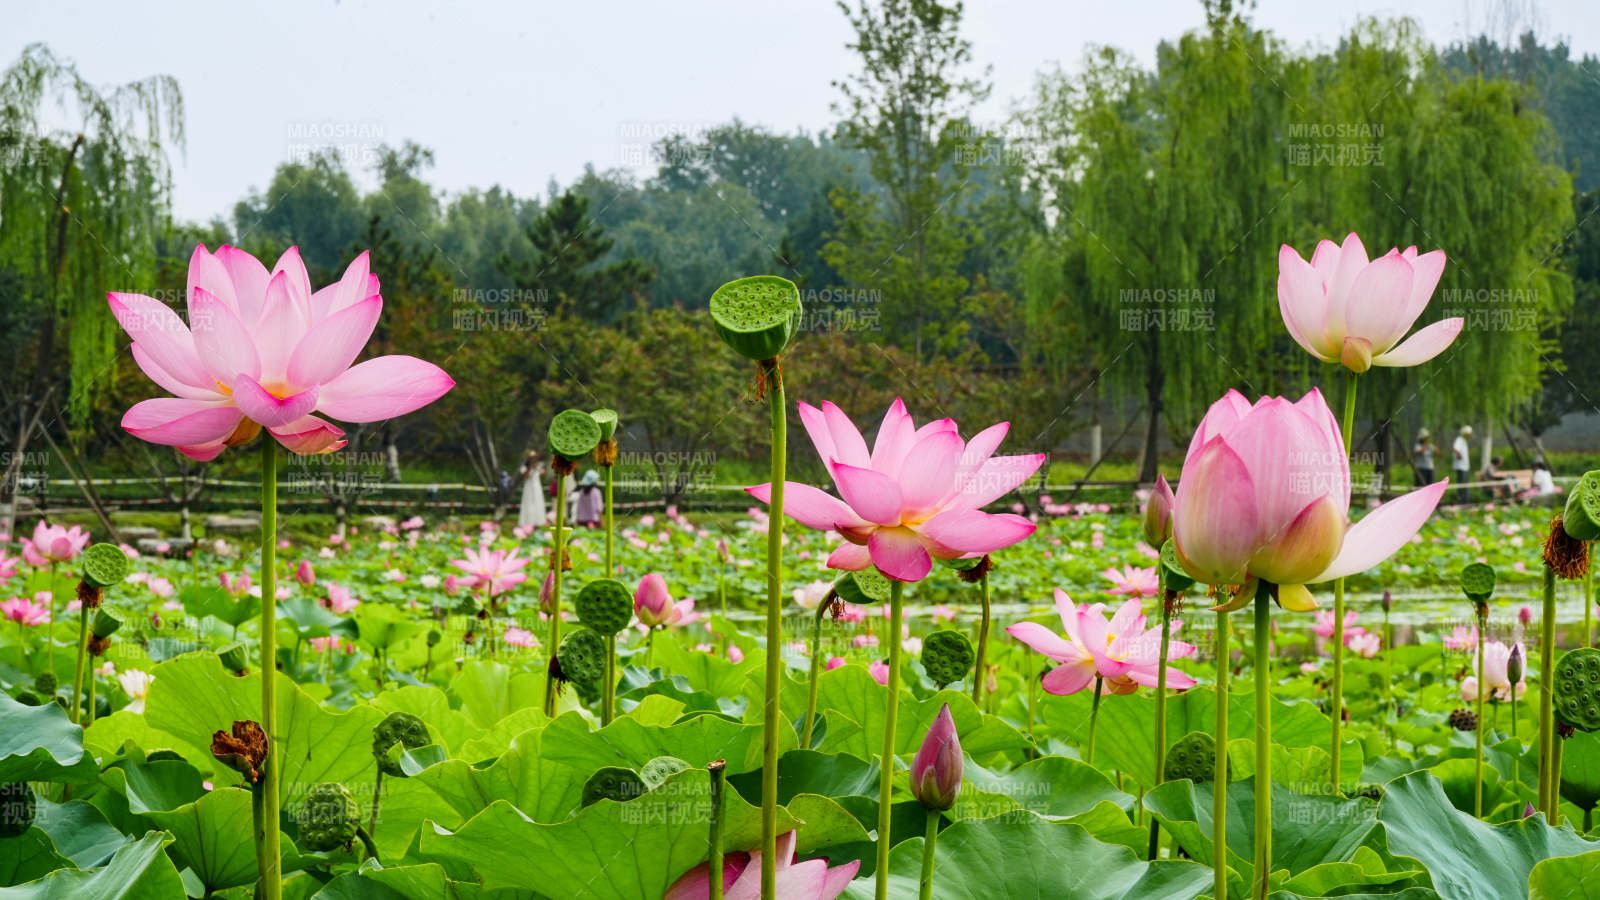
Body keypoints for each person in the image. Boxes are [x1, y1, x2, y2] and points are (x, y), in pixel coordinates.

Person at [517, 451, 546, 528]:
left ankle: (538, 522)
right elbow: (525, 476)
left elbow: (543, 473)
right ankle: (527, 523)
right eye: (531, 458)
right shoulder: (524, 466)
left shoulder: (538, 465)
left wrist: (537, 467)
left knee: (538, 503)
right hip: (528, 488)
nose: (533, 459)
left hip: (537, 487)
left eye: (534, 457)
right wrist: (530, 467)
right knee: (528, 503)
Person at [1452, 426, 1473, 503]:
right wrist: (1459, 455)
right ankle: (1462, 501)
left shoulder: (1464, 441)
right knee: (1462, 485)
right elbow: (1455, 448)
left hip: (1465, 467)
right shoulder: (1459, 440)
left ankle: (1465, 501)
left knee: (1465, 485)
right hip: (1461, 467)